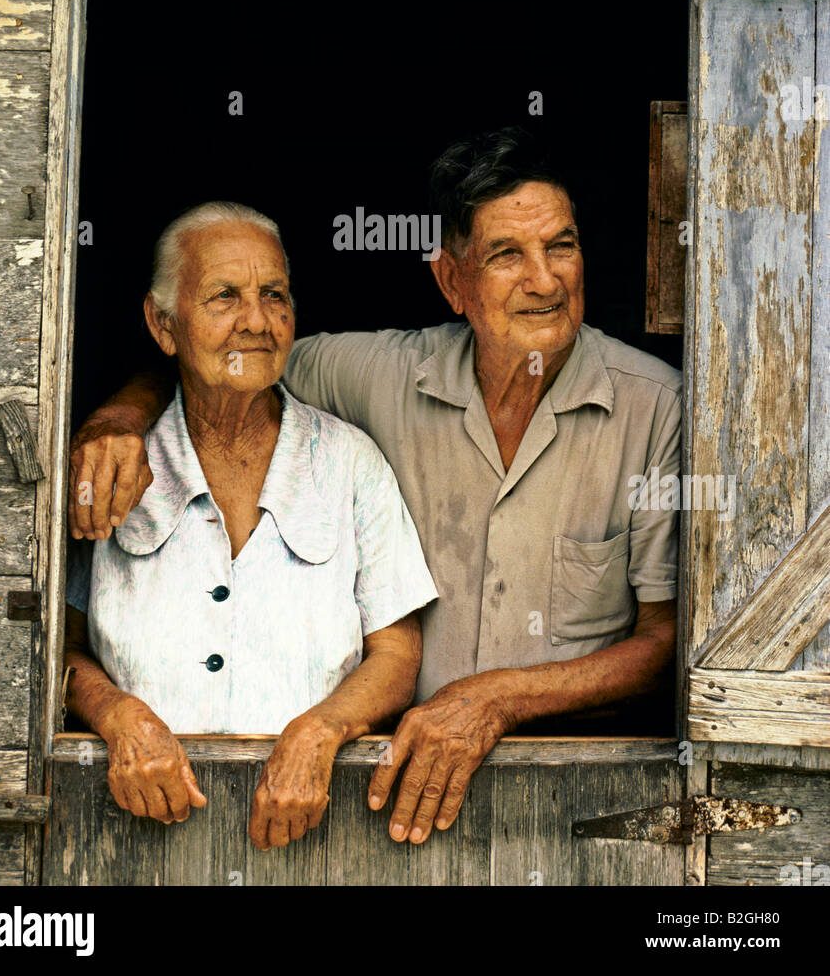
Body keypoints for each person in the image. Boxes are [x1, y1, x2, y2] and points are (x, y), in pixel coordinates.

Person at [70, 127, 680, 848]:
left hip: (583, 787)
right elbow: (226, 358)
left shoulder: (655, 407)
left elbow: (664, 642)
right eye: (506, 255)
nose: (544, 280)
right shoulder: (376, 375)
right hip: (391, 797)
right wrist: (118, 421)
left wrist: (491, 700)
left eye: (561, 246)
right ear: (451, 281)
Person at [63, 202, 437, 850]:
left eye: (273, 295)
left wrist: (321, 730)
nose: (257, 322)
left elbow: (397, 654)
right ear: (162, 323)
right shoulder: (115, 463)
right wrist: (117, 715)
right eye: (223, 298)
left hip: (319, 835)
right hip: (129, 835)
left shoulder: (348, 460)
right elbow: (52, 648)